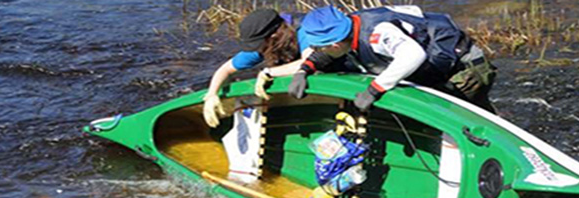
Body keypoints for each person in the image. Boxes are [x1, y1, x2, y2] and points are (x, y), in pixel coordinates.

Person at [288, 5, 497, 113]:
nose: (315, 50)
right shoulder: (349, 29)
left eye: (317, 46)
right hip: (442, 70)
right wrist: (304, 69)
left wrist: (374, 89)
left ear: (335, 43)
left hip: (465, 70)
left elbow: (413, 55)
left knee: (470, 123)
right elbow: (329, 54)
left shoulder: (378, 34)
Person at [203, 9, 334, 127]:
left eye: (258, 44)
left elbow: (311, 62)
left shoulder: (305, 30)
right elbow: (225, 69)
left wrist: (269, 72)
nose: (257, 49)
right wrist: (211, 94)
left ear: (273, 36)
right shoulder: (264, 45)